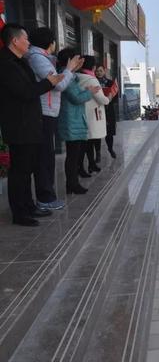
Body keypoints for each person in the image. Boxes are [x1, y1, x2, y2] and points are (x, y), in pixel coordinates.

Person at [0, 23, 64, 226]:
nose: (29, 42)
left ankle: (29, 205)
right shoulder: (6, 64)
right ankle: (20, 213)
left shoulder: (21, 61)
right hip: (19, 124)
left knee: (26, 169)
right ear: (15, 41)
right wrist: (50, 83)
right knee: (19, 171)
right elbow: (25, 92)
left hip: (29, 123)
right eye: (25, 38)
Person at [25, 27, 83, 210]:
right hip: (43, 112)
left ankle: (46, 196)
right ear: (50, 43)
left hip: (48, 112)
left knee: (47, 156)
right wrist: (69, 69)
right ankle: (45, 198)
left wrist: (69, 71)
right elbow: (58, 85)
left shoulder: (43, 58)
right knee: (44, 157)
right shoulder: (37, 58)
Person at [57, 48, 100, 194]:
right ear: (70, 61)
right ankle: (72, 184)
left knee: (74, 155)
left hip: (74, 120)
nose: (80, 62)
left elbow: (76, 95)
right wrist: (90, 92)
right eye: (77, 59)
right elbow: (76, 98)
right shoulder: (66, 77)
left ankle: (73, 183)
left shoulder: (71, 77)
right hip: (71, 120)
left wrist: (85, 90)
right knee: (73, 156)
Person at [77, 56, 112, 174]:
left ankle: (89, 164)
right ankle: (87, 166)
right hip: (92, 114)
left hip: (81, 112)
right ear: (93, 67)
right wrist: (108, 98)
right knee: (89, 141)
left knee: (86, 142)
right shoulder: (91, 80)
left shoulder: (76, 77)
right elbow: (101, 98)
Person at [95, 65, 118, 159]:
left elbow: (116, 96)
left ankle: (110, 148)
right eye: (97, 71)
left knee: (109, 133)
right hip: (97, 110)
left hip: (109, 111)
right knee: (97, 133)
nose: (99, 73)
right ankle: (98, 153)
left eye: (100, 71)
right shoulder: (93, 82)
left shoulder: (110, 83)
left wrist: (110, 97)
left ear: (104, 71)